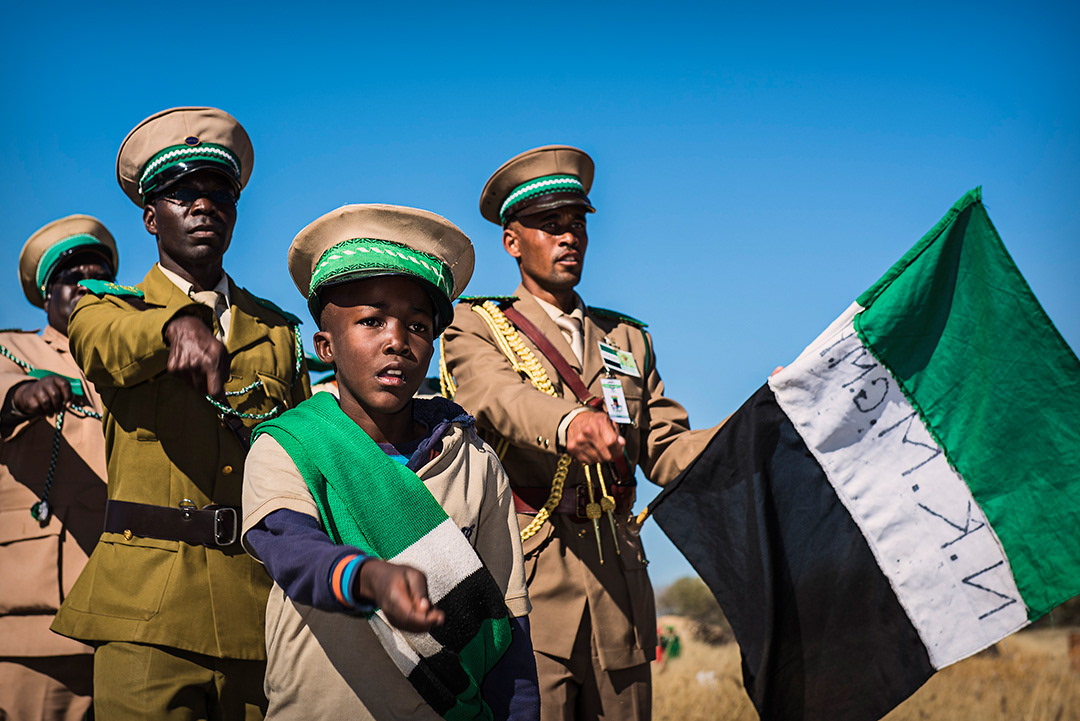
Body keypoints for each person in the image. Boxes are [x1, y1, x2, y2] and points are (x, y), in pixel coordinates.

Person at [441, 145, 721, 721]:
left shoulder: (627, 339)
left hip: (620, 585)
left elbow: (667, 450)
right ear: (511, 241)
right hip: (532, 583)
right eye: (549, 226)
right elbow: (497, 398)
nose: (568, 238)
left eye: (576, 225)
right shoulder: (475, 325)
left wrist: (753, 424)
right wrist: (569, 421)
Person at [50, 107, 310, 719]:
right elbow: (103, 344)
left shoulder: (276, 328)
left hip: (256, 615)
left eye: (219, 191)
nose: (203, 204)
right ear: (150, 216)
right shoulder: (102, 307)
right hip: (145, 614)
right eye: (181, 193)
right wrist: (177, 324)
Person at [241, 203, 538, 720]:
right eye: (371, 320)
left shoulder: (474, 462)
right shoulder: (290, 445)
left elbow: (504, 631)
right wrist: (369, 579)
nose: (397, 341)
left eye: (418, 325)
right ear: (325, 345)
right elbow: (291, 550)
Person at [0, 215, 117, 721]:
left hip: (127, 618)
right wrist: (19, 394)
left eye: (100, 278)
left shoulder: (124, 368)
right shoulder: (13, 350)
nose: (87, 288)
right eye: (74, 279)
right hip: (36, 617)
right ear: (48, 294)